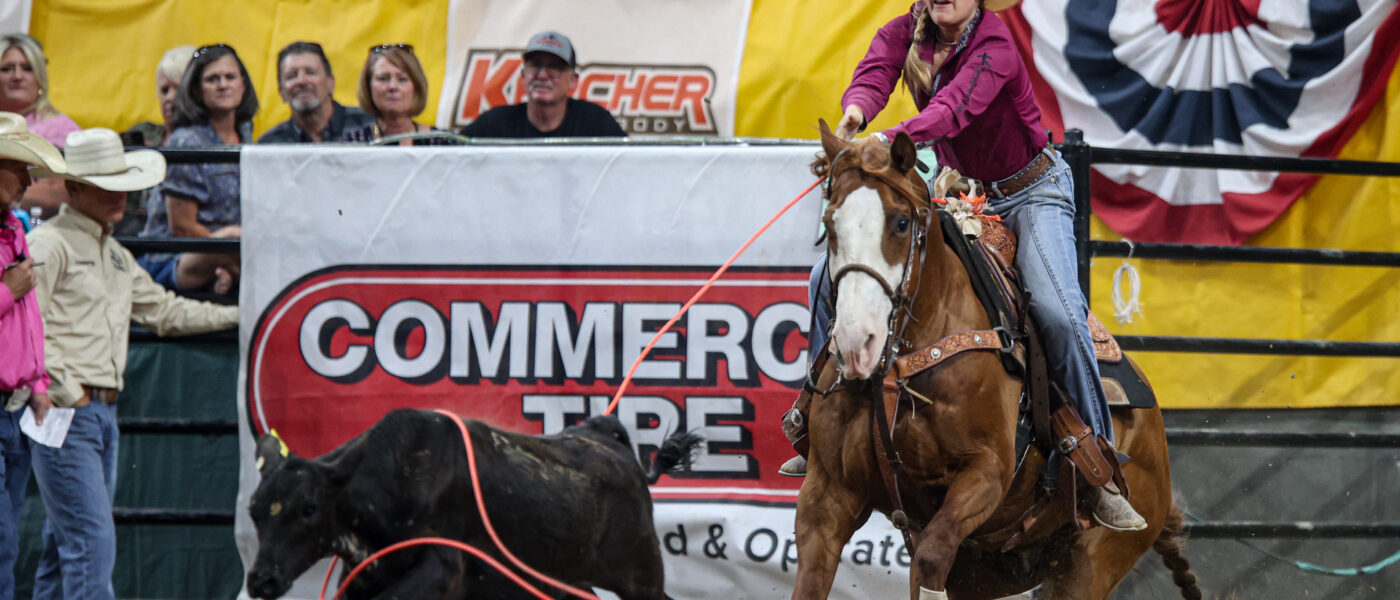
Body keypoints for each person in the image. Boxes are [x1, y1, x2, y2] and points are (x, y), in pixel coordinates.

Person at [781, 0, 1147, 534]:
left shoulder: (994, 45)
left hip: (1031, 193)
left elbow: (951, 111)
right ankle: (814, 420)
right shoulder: (904, 33)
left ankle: (1097, 464)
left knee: (1056, 310)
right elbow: (875, 72)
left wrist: (884, 138)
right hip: (961, 190)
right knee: (825, 277)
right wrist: (857, 112)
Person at [26, 127, 238, 600]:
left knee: (69, 542)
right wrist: (67, 389)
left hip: (90, 409)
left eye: (121, 182)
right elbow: (28, 324)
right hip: (74, 406)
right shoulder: (51, 244)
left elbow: (165, 310)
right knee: (88, 541)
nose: (120, 195)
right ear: (76, 189)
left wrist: (241, 314)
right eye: (106, 184)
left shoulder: (111, 254)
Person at [0, 111, 61, 600]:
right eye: (16, 167)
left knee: (7, 537)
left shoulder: (13, 230)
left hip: (14, 405)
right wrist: (6, 291)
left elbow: (28, 320)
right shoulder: (14, 233)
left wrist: (38, 383)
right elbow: (16, 303)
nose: (27, 178)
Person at [139, 43, 253, 295]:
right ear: (198, 91)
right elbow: (181, 227)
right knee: (232, 236)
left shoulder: (246, 133)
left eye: (230, 77)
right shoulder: (186, 140)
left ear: (243, 84)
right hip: (172, 258)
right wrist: (229, 254)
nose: (223, 84)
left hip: (233, 251)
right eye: (213, 79)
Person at [459, 31, 625, 138]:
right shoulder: (495, 125)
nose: (542, 75)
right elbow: (453, 154)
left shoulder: (595, 123)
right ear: (523, 76)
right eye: (535, 64)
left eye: (554, 66)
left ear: (573, 80)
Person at [115, 45, 196, 237]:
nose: (170, 98)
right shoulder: (141, 134)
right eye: (164, 90)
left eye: (178, 87)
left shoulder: (211, 141)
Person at [0, 35, 78, 221]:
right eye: (6, 69)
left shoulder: (61, 129)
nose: (17, 76)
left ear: (40, 78)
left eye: (27, 69)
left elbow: (60, 193)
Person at [341, 44, 458, 146]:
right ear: (368, 87)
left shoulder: (444, 143)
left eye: (402, 79)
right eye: (383, 79)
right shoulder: (353, 144)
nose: (393, 86)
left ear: (416, 87)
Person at [258, 41, 373, 143]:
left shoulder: (371, 126)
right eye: (291, 76)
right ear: (281, 92)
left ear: (331, 83)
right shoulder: (270, 144)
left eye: (310, 72)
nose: (301, 81)